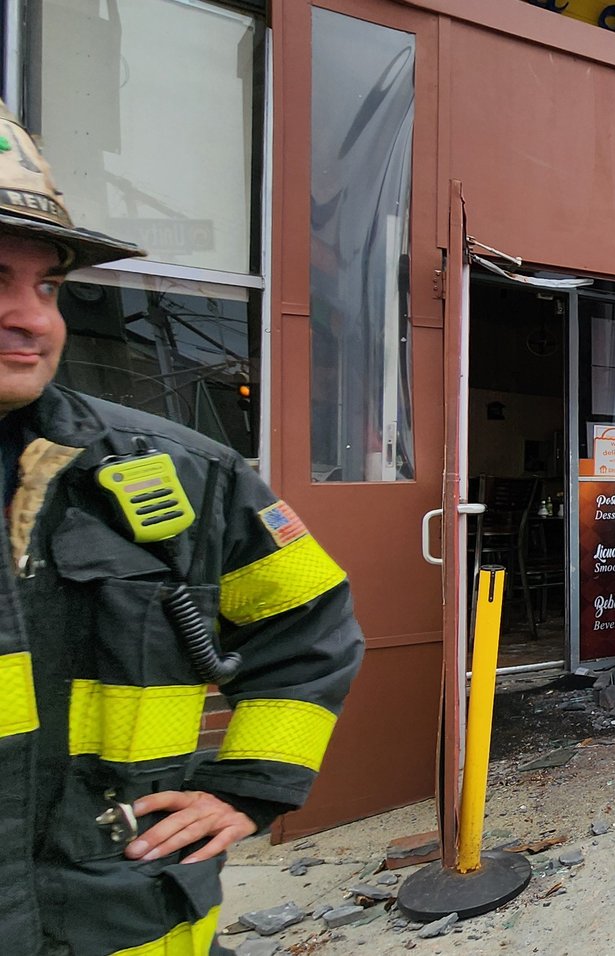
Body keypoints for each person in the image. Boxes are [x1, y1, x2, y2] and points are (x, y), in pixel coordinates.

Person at [0, 101, 365, 953]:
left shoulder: (176, 475)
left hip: (126, 924)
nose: (35, 318)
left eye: (47, 285)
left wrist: (248, 786)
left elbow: (309, 625)